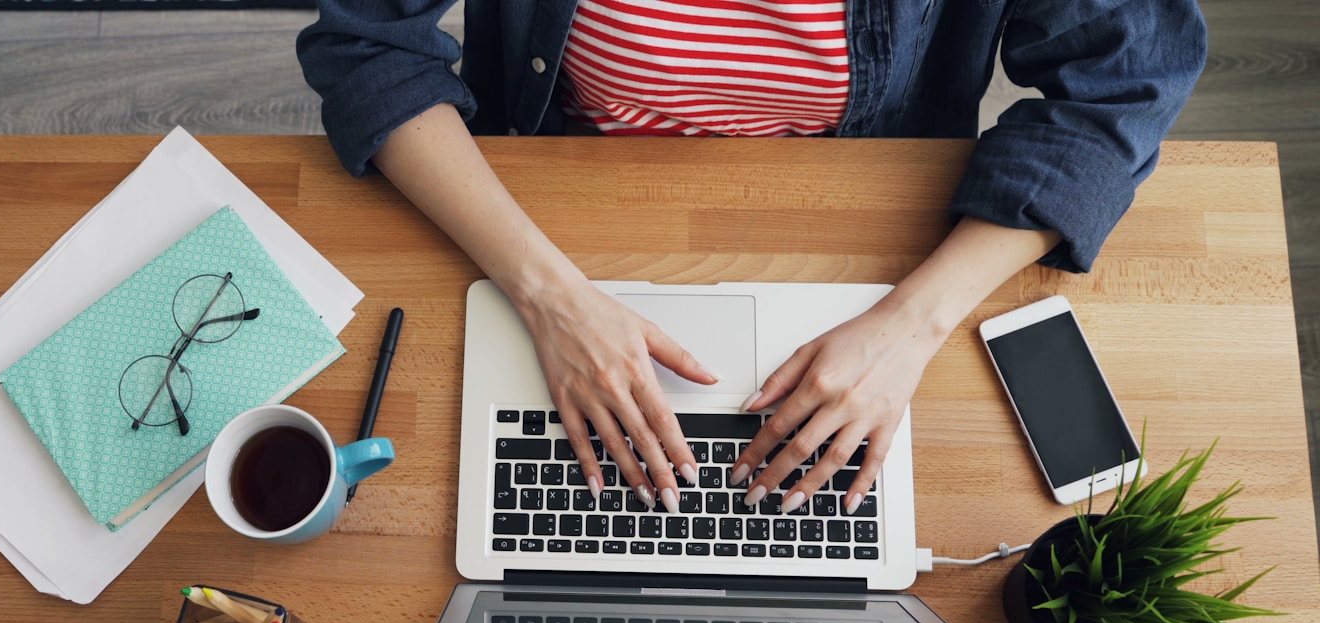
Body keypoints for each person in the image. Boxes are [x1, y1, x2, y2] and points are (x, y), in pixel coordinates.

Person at [296, 0, 1207, 517]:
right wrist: (546, 295)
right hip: (551, 207)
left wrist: (908, 325)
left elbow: (1121, 84)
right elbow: (367, 41)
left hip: (866, 231)